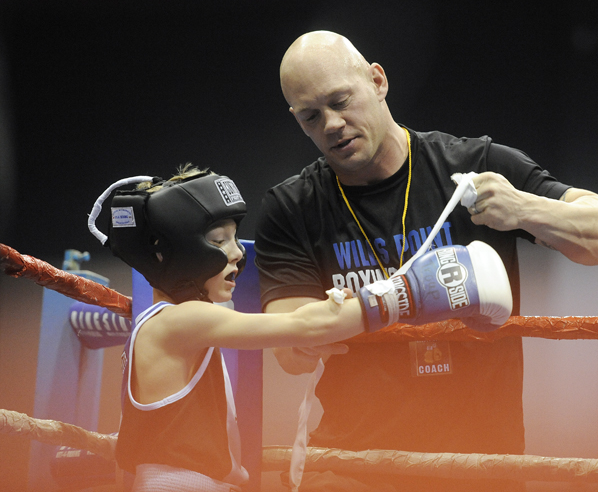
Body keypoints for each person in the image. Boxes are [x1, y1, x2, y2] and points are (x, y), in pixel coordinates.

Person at [254, 31, 598, 492]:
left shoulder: (474, 166)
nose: (332, 124)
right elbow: (290, 352)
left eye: (340, 101)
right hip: (355, 467)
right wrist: (398, 299)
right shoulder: (292, 208)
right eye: (312, 116)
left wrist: (524, 208)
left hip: (480, 466)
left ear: (377, 81)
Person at [87, 165, 511, 492]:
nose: (237, 253)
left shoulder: (169, 322)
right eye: (218, 241)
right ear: (167, 252)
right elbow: (304, 324)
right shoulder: (181, 321)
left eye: (234, 238)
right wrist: (406, 294)